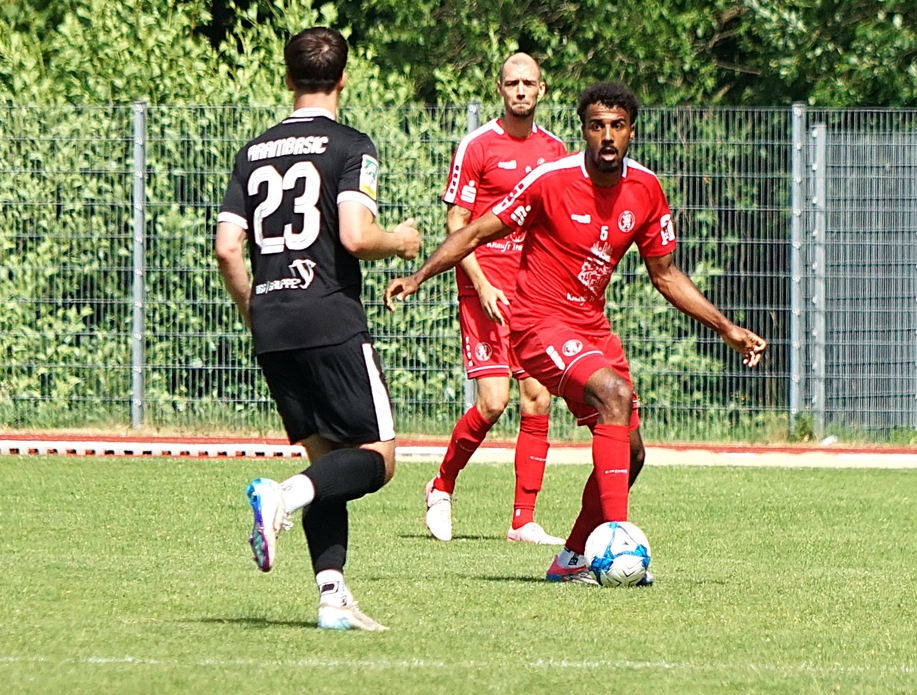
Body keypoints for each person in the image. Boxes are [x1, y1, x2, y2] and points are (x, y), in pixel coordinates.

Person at [384, 82, 766, 584]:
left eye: (617, 126)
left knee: (632, 453)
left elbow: (666, 275)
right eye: (597, 126)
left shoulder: (646, 189)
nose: (607, 136)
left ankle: (570, 560)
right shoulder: (551, 180)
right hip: (537, 323)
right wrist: (418, 277)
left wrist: (726, 328)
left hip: (591, 326)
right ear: (583, 130)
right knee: (613, 393)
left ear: (631, 131)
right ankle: (618, 543)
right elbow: (474, 230)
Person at [215, 26, 420, 629]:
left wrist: (255, 308)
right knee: (377, 459)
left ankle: (332, 597)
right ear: (343, 79)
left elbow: (227, 248)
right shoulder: (351, 145)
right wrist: (401, 241)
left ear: (288, 78)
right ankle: (282, 496)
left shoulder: (253, 152)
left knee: (325, 462)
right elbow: (355, 235)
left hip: (273, 322)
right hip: (330, 315)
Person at [425, 53, 568, 545]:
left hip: (534, 296)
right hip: (483, 289)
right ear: (500, 89)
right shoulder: (478, 145)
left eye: (529, 83)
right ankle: (441, 486)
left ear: (542, 90)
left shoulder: (555, 150)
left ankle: (522, 521)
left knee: (538, 398)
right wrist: (483, 284)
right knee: (493, 402)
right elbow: (456, 225)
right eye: (512, 83)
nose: (521, 90)